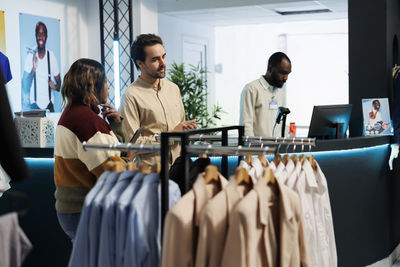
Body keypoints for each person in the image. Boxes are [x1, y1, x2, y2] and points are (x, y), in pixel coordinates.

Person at [54, 58, 124, 242]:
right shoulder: (87, 121)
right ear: (94, 85)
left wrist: (115, 125)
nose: (108, 87)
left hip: (71, 210)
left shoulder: (71, 112)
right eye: (106, 82)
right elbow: (111, 171)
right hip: (86, 210)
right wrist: (129, 158)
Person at [119, 33, 197, 165]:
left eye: (163, 57)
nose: (163, 63)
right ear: (140, 63)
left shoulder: (173, 89)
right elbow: (133, 144)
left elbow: (181, 129)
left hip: (180, 170)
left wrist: (186, 130)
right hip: (152, 175)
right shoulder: (131, 96)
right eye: (155, 59)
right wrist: (170, 135)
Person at [240, 52, 292, 137]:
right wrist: (251, 148)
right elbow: (246, 125)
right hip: (258, 148)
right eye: (282, 73)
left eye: (288, 74)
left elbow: (281, 123)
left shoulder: (281, 92)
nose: (286, 78)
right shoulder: (251, 89)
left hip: (277, 147)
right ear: (270, 68)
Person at [22, 21, 61, 112]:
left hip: (49, 106)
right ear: (35, 35)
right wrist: (33, 69)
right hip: (34, 106)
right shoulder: (30, 56)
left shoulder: (51, 56)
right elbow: (25, 85)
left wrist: (55, 87)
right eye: (38, 33)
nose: (41, 36)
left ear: (46, 36)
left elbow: (59, 84)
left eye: (43, 34)